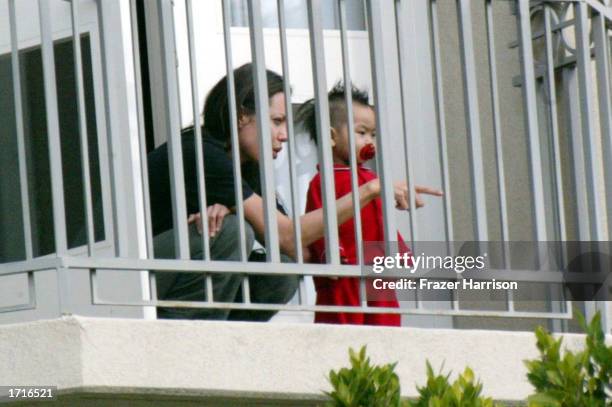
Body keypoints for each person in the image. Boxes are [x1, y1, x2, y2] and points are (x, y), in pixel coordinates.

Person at [147, 64, 401, 322]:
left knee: (284, 270)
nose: (284, 136)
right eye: (277, 121)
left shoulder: (248, 168)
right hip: (142, 275)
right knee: (233, 231)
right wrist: (370, 189)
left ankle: (228, 336)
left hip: (176, 276)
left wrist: (233, 206)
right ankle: (197, 336)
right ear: (241, 116)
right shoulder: (201, 153)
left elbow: (297, 250)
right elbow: (286, 236)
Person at [299, 83, 443, 326]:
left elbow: (381, 220)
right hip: (344, 276)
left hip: (379, 272)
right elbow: (319, 225)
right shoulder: (323, 181)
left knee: (386, 330)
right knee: (344, 331)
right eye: (362, 133)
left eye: (373, 135)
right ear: (331, 137)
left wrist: (402, 253)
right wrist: (330, 255)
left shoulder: (372, 180)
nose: (370, 141)